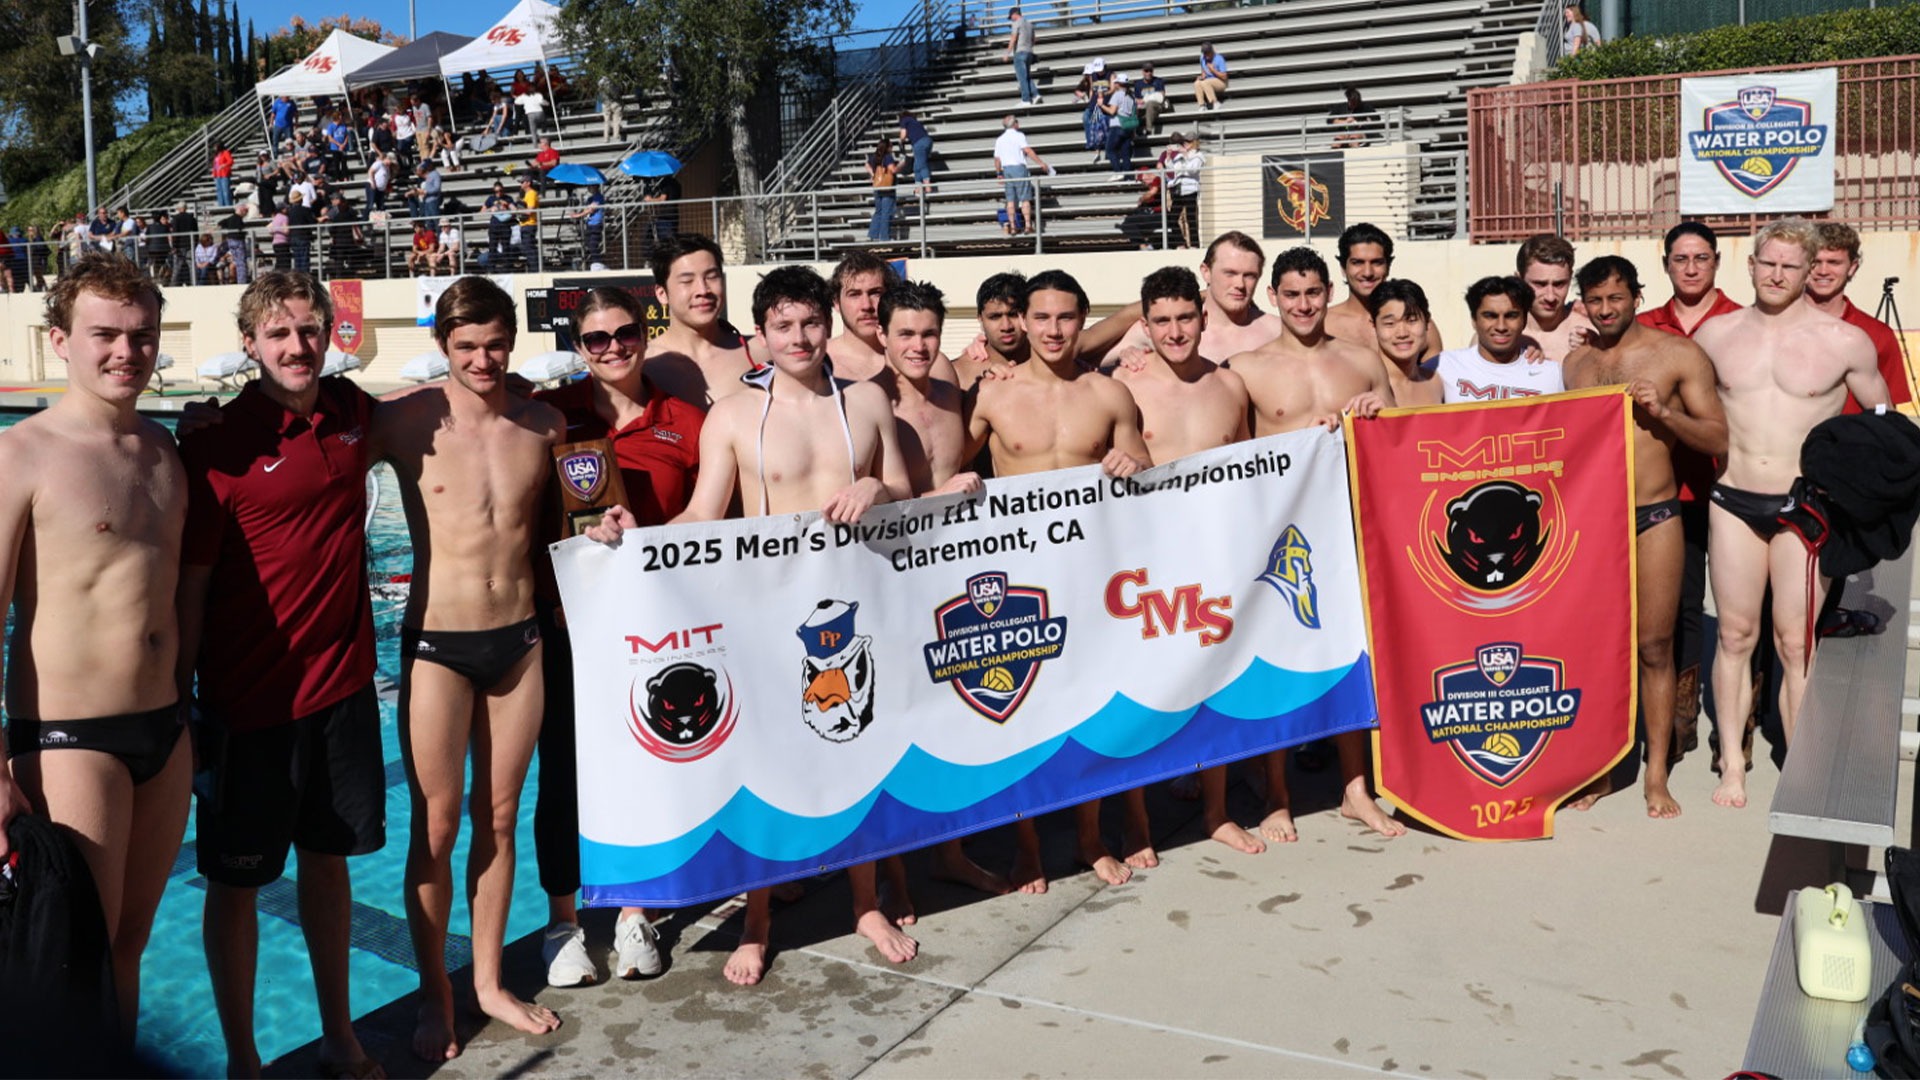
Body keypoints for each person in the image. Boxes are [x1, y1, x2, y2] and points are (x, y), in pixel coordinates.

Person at [590, 266, 910, 986]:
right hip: (770, 612)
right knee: (767, 765)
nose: (800, 338)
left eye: (811, 323)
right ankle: (757, 922)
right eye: (784, 326)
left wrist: (875, 485)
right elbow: (703, 515)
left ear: (828, 325)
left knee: (860, 749)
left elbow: (908, 492)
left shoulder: (866, 402)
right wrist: (636, 540)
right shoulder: (735, 415)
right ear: (760, 336)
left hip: (853, 603)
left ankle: (865, 905)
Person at [177, 272, 389, 1079]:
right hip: (249, 705)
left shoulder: (352, 413)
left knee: (328, 864)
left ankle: (338, 1036)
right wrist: (182, 705)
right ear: (250, 344)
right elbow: (191, 588)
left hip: (343, 691)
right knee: (235, 886)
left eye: (308, 330)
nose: (297, 346)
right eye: (278, 334)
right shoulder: (216, 444)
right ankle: (244, 1060)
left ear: (329, 334)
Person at [0, 255, 190, 1038]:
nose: (126, 352)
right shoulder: (21, 455)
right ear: (59, 341)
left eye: (141, 335)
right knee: (74, 962)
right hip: (72, 739)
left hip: (165, 729)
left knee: (127, 947)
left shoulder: (165, 449)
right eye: (104, 334)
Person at [378, 276, 566, 1059]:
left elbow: (582, 514)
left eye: (495, 345)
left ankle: (487, 983)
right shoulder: (405, 419)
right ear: (442, 345)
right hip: (437, 648)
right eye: (466, 347)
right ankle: (436, 995)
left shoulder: (544, 424)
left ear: (511, 342)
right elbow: (312, 434)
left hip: (519, 644)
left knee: (499, 818)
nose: (483, 361)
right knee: (436, 825)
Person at [532, 287, 704, 989]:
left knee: (643, 768)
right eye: (596, 339)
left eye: (625, 333)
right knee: (562, 774)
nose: (613, 348)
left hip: (650, 631)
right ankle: (563, 922)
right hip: (566, 625)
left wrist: (650, 539)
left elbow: (711, 515)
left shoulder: (685, 421)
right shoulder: (550, 414)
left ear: (645, 332)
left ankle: (635, 910)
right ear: (579, 347)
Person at [963, 270, 1153, 890]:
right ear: (1022, 320)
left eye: (1065, 317)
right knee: (1021, 715)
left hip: (1091, 574)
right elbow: (940, 471)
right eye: (1040, 317)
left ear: (1082, 320)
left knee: (1094, 708)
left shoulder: (1110, 394)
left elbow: (1147, 469)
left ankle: (1090, 837)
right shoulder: (990, 396)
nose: (1052, 330)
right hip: (1017, 581)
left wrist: (1134, 462)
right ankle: (1029, 846)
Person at [1694, 217, 1887, 807]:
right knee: (1734, 635)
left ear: (1810, 273)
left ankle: (1802, 769)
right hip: (1732, 500)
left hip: (1802, 508)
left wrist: (1863, 500)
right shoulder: (1714, 335)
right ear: (1751, 265)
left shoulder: (1845, 341)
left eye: (1790, 266)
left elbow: (1883, 428)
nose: (1776, 275)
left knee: (1795, 644)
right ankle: (1732, 763)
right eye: (1768, 263)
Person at [1224, 247, 1403, 841]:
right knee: (1280, 663)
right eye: (1292, 294)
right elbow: (1231, 458)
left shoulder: (1362, 359)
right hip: (1281, 536)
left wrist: (1379, 411)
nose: (1303, 305)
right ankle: (1277, 795)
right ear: (1273, 297)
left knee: (1354, 656)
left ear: (1329, 292)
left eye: (1313, 293)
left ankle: (1355, 789)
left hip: (1350, 526)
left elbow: (1399, 440)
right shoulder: (1244, 368)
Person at [1561, 256, 1728, 819]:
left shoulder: (1677, 355)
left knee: (1655, 646)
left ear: (1637, 296)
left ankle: (1656, 772)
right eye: (1595, 300)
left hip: (1654, 515)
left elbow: (1717, 438)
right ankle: (1605, 766)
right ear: (1583, 303)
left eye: (1617, 297)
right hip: (1593, 523)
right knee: (1598, 651)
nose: (1606, 309)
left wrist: (1665, 415)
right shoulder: (1575, 364)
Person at [1112, 267, 1260, 852]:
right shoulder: (1125, 386)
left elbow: (1254, 470)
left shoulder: (1231, 386)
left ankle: (1217, 813)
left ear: (1203, 318)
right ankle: (1139, 825)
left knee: (1216, 685)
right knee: (1144, 694)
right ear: (1145, 326)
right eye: (1162, 321)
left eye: (1184, 319)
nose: (1175, 332)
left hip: (1217, 557)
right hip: (1149, 564)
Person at [1638, 220, 1743, 765]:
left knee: (1739, 607)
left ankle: (1741, 724)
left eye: (1701, 257)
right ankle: (1681, 715)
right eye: (1681, 259)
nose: (1691, 268)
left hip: (1730, 484)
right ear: (1666, 265)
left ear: (1717, 262)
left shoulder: (1743, 322)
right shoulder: (1642, 327)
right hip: (1669, 493)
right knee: (1679, 604)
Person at [1805, 221, 1913, 413]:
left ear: (1852, 267)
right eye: (1815, 262)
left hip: (1856, 433)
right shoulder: (1775, 325)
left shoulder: (1878, 335)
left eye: (1834, 262)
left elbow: (1886, 413)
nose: (1823, 271)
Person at [642, 233, 760, 407]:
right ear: (662, 294)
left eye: (711, 277)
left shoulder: (760, 352)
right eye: (687, 281)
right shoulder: (642, 365)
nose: (703, 290)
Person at [1434, 276, 1562, 402]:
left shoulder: (1552, 374)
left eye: (1511, 316)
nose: (1501, 327)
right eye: (1490, 316)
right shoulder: (1444, 365)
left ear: (1524, 321)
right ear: (1474, 320)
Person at [1324, 223, 1443, 358]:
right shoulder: (1324, 324)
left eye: (1377, 262)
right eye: (1358, 262)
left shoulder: (1418, 326)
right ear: (1343, 268)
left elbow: (1434, 371)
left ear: (1388, 266)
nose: (1368, 272)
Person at [1364, 279, 1443, 406]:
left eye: (1411, 320)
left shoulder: (1436, 382)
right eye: (1390, 323)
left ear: (1427, 321)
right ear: (1374, 325)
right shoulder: (1363, 386)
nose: (1402, 333)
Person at [1516, 233, 1593, 361]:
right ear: (1519, 281)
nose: (1550, 297)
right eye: (1540, 284)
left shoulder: (1588, 333)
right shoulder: (1499, 335)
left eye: (1559, 284)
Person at [993, 116, 1051, 237]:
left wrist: (999, 173)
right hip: (1019, 168)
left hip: (1006, 169)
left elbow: (997, 159)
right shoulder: (1019, 136)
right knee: (1025, 198)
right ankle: (1028, 225)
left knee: (1010, 200)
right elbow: (1028, 151)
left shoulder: (1000, 139)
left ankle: (1013, 227)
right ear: (1014, 124)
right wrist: (1041, 163)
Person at [1165, 132, 1203, 249]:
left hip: (1190, 189)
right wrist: (1168, 156)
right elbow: (1172, 169)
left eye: (1188, 142)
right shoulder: (1179, 155)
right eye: (1184, 141)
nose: (1185, 143)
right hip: (1179, 189)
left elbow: (1192, 170)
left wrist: (1186, 156)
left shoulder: (1198, 156)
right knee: (1172, 218)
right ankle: (1181, 243)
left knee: (1191, 219)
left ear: (1194, 143)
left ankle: (1195, 245)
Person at [1101, 73, 1138, 178]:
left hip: (1117, 126)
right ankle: (1128, 178)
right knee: (1126, 154)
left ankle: (1118, 172)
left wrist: (1101, 105)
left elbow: (1112, 111)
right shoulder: (1132, 96)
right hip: (1128, 128)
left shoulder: (1117, 95)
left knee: (1110, 150)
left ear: (1118, 84)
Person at [1078, 60, 1112, 163]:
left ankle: (1104, 149)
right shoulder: (1093, 76)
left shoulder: (1110, 75)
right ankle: (1093, 146)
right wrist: (1091, 102)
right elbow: (1091, 90)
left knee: (1101, 124)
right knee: (1091, 122)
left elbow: (1113, 89)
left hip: (1105, 104)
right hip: (1095, 104)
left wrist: (1104, 95)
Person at [867, 137, 900, 242]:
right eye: (891, 146)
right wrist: (902, 164)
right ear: (887, 147)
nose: (892, 148)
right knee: (886, 212)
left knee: (878, 211)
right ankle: (884, 237)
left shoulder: (875, 156)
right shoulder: (888, 157)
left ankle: (873, 236)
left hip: (877, 187)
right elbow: (893, 170)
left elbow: (866, 165)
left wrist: (873, 174)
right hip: (887, 188)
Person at [1004, 6, 1039, 105]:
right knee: (1026, 76)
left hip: (1020, 52)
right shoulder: (1029, 24)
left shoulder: (1016, 23)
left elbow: (1013, 38)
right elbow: (1034, 40)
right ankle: (1035, 95)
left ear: (1014, 14)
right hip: (1029, 52)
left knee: (1022, 78)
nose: (1011, 19)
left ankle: (1026, 100)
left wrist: (1007, 53)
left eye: (1011, 16)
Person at [569, 183, 607, 268]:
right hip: (589, 224)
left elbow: (591, 209)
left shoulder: (599, 197)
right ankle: (595, 263)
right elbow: (586, 209)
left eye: (590, 186)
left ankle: (598, 264)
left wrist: (578, 215)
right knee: (588, 245)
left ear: (595, 187)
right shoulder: (590, 198)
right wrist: (577, 213)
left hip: (596, 224)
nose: (588, 188)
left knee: (593, 245)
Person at [899, 111, 935, 197]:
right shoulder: (915, 122)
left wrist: (900, 141)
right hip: (927, 140)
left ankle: (927, 186)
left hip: (919, 143)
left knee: (922, 164)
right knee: (916, 166)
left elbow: (903, 135)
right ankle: (917, 187)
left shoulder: (904, 120)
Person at [284, 192, 316, 274]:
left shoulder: (289, 212)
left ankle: (298, 276)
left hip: (293, 237)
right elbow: (312, 222)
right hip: (303, 236)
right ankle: (304, 276)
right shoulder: (305, 210)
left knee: (297, 259)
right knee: (304, 259)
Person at [1135, 62, 1168, 136]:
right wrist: (1140, 102)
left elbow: (1161, 96)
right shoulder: (1138, 84)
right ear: (1143, 72)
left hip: (1157, 106)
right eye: (1146, 71)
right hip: (1143, 107)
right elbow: (1137, 99)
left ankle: (1148, 129)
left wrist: (1146, 99)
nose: (1149, 73)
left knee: (1150, 104)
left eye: (1150, 71)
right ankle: (1136, 130)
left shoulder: (1158, 81)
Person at [1194, 42, 1229, 110]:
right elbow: (1203, 70)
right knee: (1197, 83)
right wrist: (1202, 77)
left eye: (1207, 53)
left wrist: (1213, 70)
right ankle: (1202, 105)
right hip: (1208, 80)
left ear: (1211, 51)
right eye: (1204, 53)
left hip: (1221, 82)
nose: (1206, 55)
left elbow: (1224, 77)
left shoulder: (1219, 59)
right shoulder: (1202, 58)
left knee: (1205, 82)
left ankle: (1215, 103)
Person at [212, 142, 235, 207]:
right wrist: (213, 173)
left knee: (225, 191)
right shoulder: (216, 155)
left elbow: (231, 161)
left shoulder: (225, 152)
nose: (214, 148)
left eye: (215, 146)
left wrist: (224, 165)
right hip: (217, 175)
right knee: (219, 191)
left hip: (224, 174)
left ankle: (228, 205)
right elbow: (215, 165)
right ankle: (221, 205)